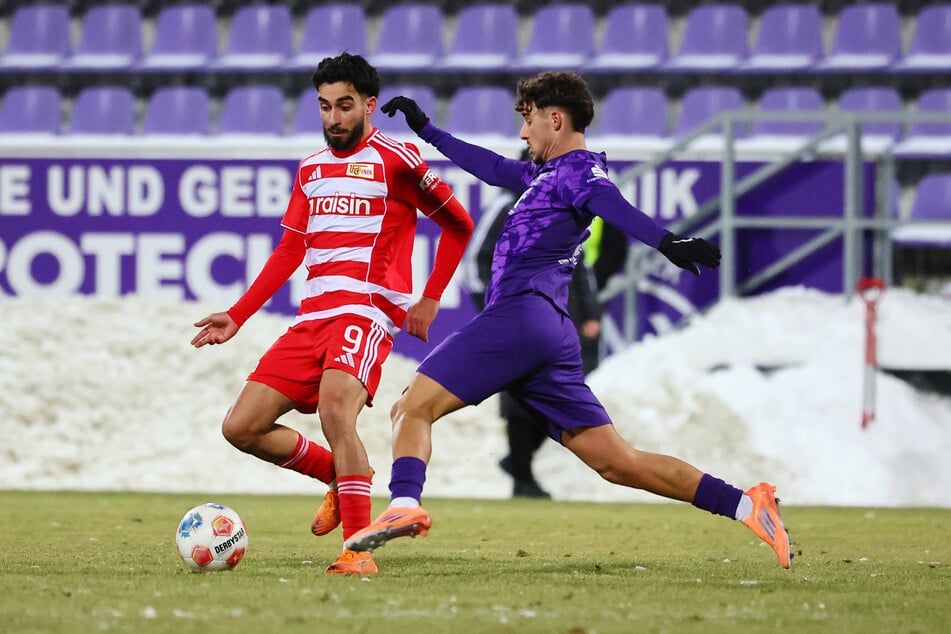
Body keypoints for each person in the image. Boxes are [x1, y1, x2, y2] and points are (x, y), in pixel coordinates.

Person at [344, 70, 792, 570]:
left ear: (555, 119)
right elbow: (490, 166)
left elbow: (610, 203)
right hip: (550, 332)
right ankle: (745, 503)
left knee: (411, 407)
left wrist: (666, 241)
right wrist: (427, 129)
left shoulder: (578, 172)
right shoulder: (544, 176)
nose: (522, 133)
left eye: (529, 121)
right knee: (617, 462)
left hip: (521, 314)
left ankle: (403, 505)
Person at [190, 53, 473, 575]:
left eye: (344, 106)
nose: (333, 118)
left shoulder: (399, 158)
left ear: (369, 105)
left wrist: (430, 298)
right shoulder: (310, 168)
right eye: (324, 107)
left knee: (335, 411)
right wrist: (238, 315)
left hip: (365, 312)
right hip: (312, 317)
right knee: (241, 427)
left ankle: (356, 553)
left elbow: (459, 224)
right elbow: (288, 250)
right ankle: (340, 479)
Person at [461, 152, 602, 498]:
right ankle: (522, 476)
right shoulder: (506, 204)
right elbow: (476, 261)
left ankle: (519, 463)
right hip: (516, 313)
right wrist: (494, 307)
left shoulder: (567, 205)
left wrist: (590, 313)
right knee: (520, 392)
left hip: (558, 316)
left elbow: (578, 266)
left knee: (562, 392)